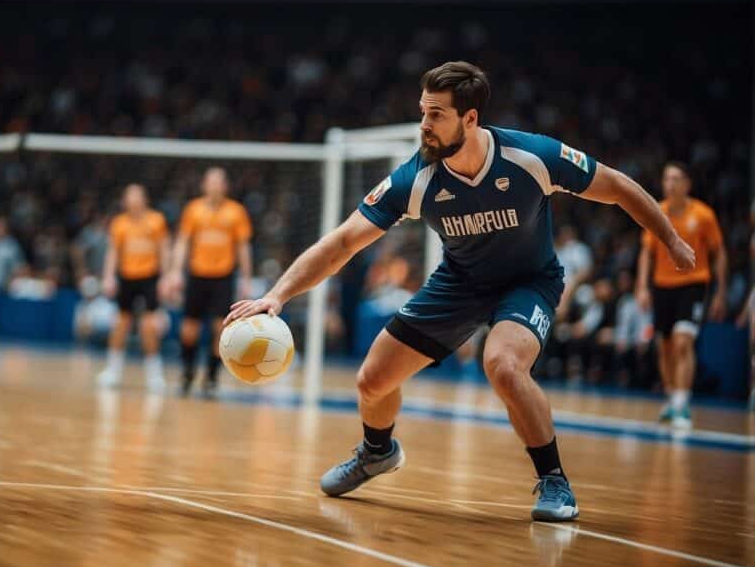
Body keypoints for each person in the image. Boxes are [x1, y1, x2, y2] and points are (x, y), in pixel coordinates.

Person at [227, 61, 694, 521]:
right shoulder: (416, 177)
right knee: (372, 381)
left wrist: (669, 238)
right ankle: (377, 452)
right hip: (460, 282)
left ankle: (554, 479)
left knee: (503, 365)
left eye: (436, 114)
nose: (424, 124)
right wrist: (279, 295)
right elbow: (345, 240)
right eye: (423, 111)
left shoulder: (533, 157)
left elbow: (616, 187)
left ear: (470, 119)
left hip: (527, 282)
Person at [635, 161, 726, 429]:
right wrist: (641, 287)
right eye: (666, 179)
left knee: (682, 342)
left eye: (676, 179)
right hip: (662, 285)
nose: (670, 184)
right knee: (664, 346)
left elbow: (719, 252)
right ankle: (672, 398)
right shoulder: (657, 212)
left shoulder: (704, 215)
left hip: (693, 284)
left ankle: (682, 404)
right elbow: (646, 253)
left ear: (687, 184)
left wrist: (720, 292)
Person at [169, 167, 252, 398]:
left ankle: (211, 379)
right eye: (210, 181)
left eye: (218, 182)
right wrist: (175, 271)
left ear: (225, 186)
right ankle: (187, 373)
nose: (214, 186)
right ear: (204, 185)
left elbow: (243, 246)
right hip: (197, 275)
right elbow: (183, 241)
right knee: (189, 329)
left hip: (223, 277)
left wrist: (245, 278)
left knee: (220, 329)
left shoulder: (236, 212)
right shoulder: (193, 209)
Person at [96, 184, 171, 390]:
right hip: (126, 277)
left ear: (144, 199)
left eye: (137, 196)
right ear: (124, 201)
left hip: (149, 277)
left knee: (148, 325)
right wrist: (109, 277)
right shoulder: (119, 223)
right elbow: (113, 251)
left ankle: (155, 375)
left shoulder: (156, 220)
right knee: (120, 323)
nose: (133, 200)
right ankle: (113, 370)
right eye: (129, 196)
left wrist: (165, 277)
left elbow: (164, 249)